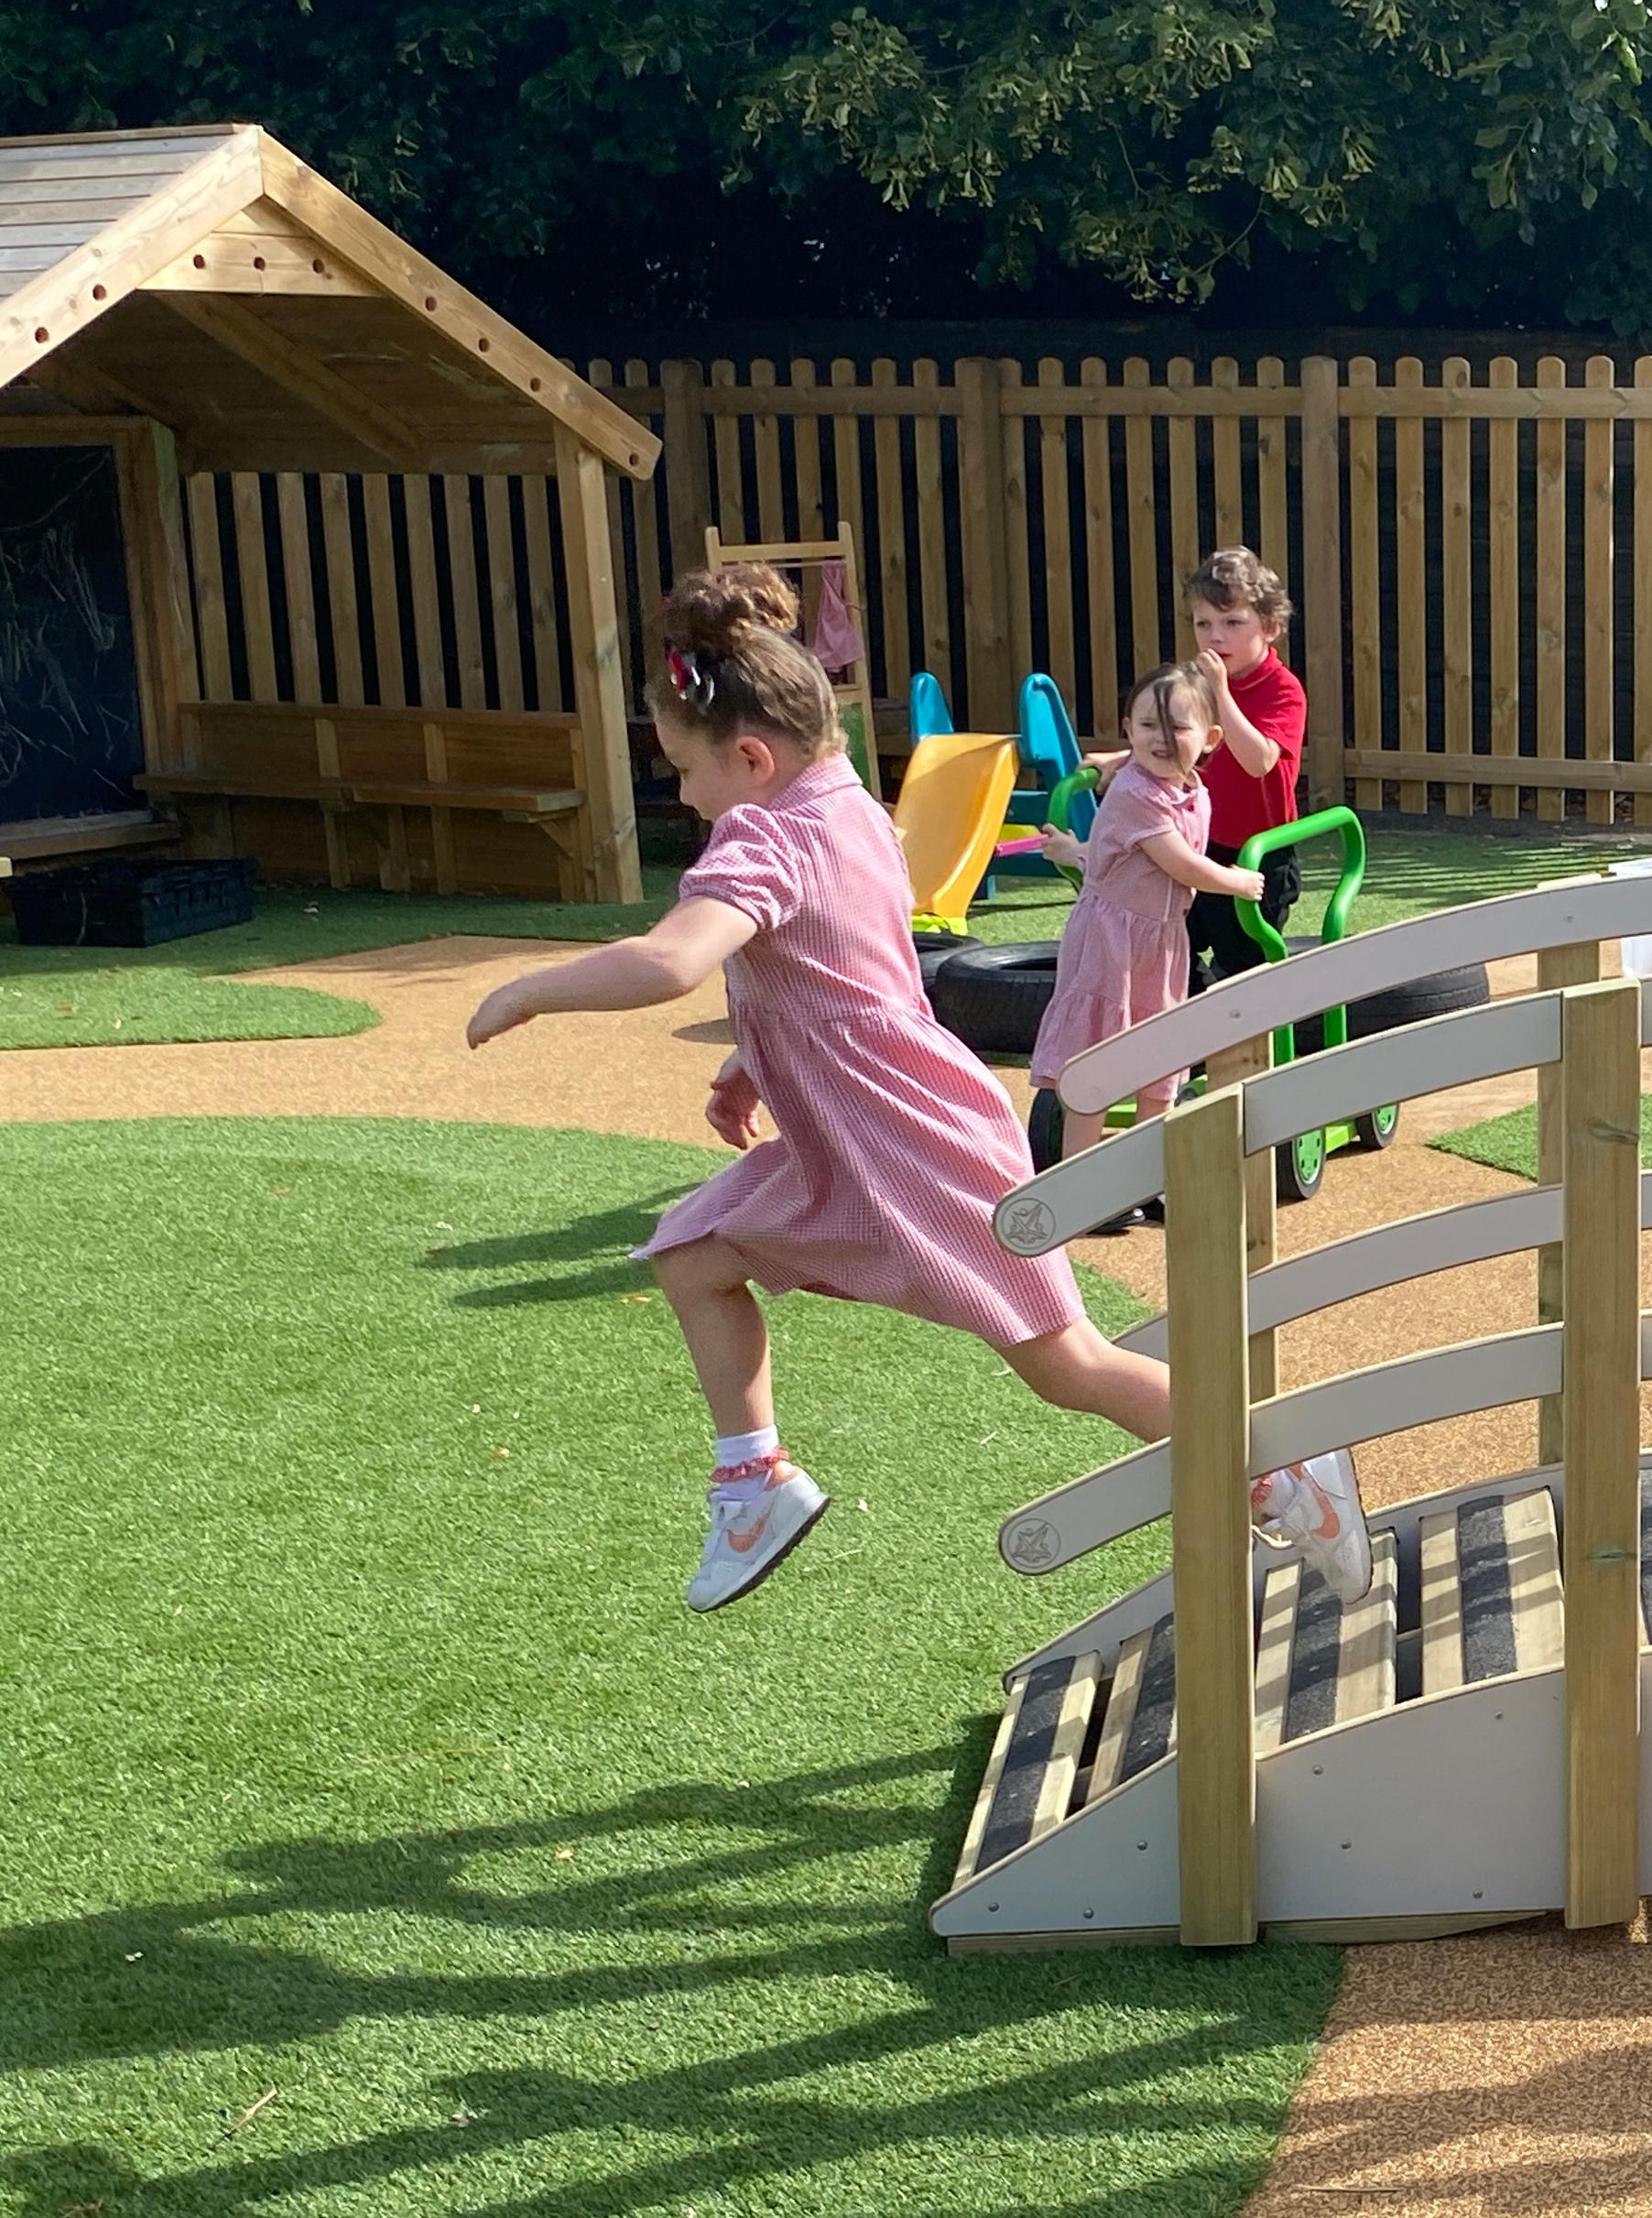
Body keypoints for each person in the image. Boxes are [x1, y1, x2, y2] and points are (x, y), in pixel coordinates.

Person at [464, 565, 1367, 1615]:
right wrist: (755, 1053)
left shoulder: (764, 834)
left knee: (1069, 1366)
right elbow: (849, 959)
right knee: (692, 1255)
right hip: (860, 1138)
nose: (683, 795)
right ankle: (753, 1483)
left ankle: (1284, 1467)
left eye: (684, 770)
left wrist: (531, 988)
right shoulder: (847, 805)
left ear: (751, 758)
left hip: (909, 1144)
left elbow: (672, 962)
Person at [1031, 658, 1264, 1191]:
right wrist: (1236, 881)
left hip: (1161, 939)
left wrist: (1076, 850)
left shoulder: (1191, 790)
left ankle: (1146, 1179)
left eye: (1177, 727)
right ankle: (1080, 1183)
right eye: (1147, 726)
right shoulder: (1136, 793)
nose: (1162, 739)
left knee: (1159, 1052)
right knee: (1099, 1057)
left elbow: (1124, 857)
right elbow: (1180, 864)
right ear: (1129, 730)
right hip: (1111, 940)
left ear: (1209, 739)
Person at [1179, 547, 1309, 991]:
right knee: (1170, 944)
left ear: (1269, 628)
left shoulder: (1282, 689)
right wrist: (1119, 761)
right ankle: (1193, 1023)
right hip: (1200, 844)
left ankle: (1236, 1019)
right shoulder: (1196, 684)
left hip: (1259, 858)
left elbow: (1259, 762)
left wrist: (1219, 693)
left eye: (1232, 623)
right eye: (1203, 624)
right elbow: (1178, 744)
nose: (1215, 637)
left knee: (1243, 966)